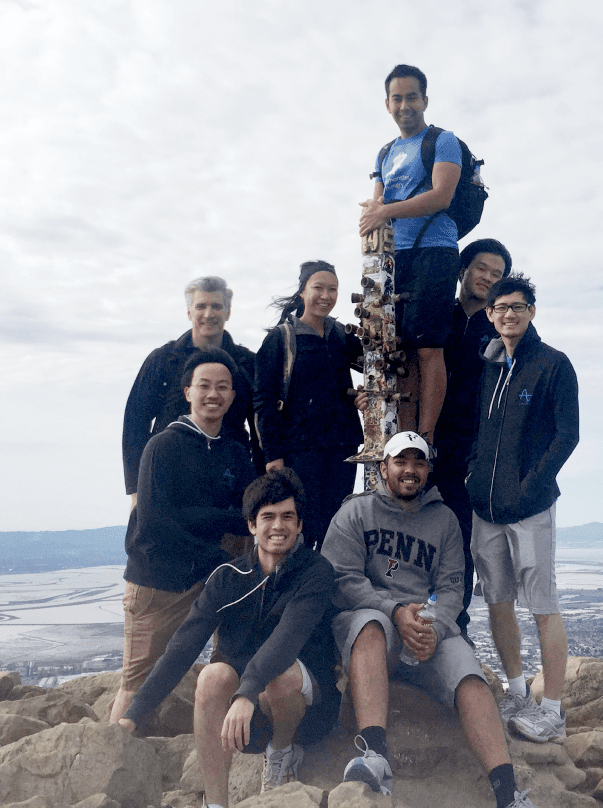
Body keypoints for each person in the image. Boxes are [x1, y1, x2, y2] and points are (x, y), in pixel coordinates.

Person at [321, 432, 539, 808]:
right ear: (383, 468)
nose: (410, 470)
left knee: (469, 676)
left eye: (418, 462)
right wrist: (395, 611)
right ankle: (374, 755)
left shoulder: (444, 520)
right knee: (371, 625)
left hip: (425, 628)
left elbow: (452, 588)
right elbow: (343, 578)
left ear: (427, 470)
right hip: (375, 623)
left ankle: (508, 794)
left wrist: (433, 628)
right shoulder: (354, 513)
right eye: (401, 462)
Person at [117, 468, 341, 807]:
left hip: (307, 713)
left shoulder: (316, 572)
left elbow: (286, 640)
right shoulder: (228, 578)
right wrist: (134, 713)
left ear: (299, 525)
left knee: (280, 677)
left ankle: (281, 755)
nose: (278, 526)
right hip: (246, 714)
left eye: (287, 517)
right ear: (251, 525)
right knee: (212, 676)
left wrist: (247, 693)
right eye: (268, 517)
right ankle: (215, 803)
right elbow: (182, 648)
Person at [109, 349, 253, 724]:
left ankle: (218, 746)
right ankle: (114, 750)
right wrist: (218, 537)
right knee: (138, 682)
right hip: (159, 583)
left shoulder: (236, 454)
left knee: (228, 669)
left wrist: (196, 518)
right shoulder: (162, 446)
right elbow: (155, 523)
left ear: (232, 396)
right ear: (187, 392)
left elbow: (250, 515)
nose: (213, 394)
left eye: (223, 387)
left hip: (214, 578)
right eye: (204, 386)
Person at [466, 274, 580, 743]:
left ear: (532, 311)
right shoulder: (489, 366)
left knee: (543, 606)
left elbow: (567, 436)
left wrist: (532, 487)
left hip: (530, 508)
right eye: (501, 307)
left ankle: (552, 710)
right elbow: (478, 431)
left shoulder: (553, 364)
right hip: (486, 508)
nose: (509, 314)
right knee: (498, 602)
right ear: (490, 314)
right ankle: (517, 692)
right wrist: (473, 475)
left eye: (518, 306)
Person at [358, 64, 462, 450]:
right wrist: (375, 214)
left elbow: (442, 196)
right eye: (397, 98)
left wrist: (384, 211)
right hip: (390, 258)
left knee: (428, 346)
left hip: (435, 250)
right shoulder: (385, 152)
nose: (405, 105)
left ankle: (426, 437)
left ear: (425, 100)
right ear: (387, 104)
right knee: (397, 347)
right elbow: (377, 204)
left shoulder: (442, 140)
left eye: (412, 97)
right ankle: (403, 437)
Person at [122, 276, 262, 508]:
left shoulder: (247, 363)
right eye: (201, 306)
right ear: (189, 312)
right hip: (169, 475)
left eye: (216, 306)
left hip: (231, 479)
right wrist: (137, 491)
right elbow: (135, 423)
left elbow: (260, 427)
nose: (208, 314)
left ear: (228, 312)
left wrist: (260, 487)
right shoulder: (163, 360)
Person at [253, 261, 364, 551]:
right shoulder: (281, 339)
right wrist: (273, 456)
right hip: (299, 451)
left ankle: (328, 576)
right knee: (301, 527)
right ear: (302, 291)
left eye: (333, 289)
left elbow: (373, 368)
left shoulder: (341, 335)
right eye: (318, 288)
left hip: (342, 448)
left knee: (336, 526)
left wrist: (364, 397)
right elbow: (263, 401)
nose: (326, 296)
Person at [432, 238, 512, 635]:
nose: (488, 278)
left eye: (497, 274)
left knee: (460, 540)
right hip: (422, 444)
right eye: (482, 268)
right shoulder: (436, 314)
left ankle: (454, 626)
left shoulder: (501, 328)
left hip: (471, 453)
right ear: (463, 270)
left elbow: (519, 391)